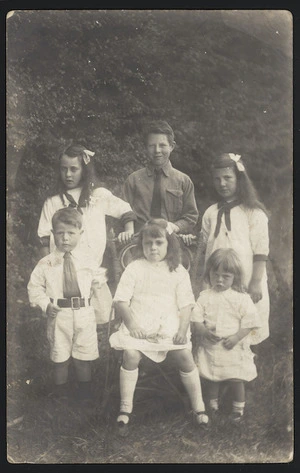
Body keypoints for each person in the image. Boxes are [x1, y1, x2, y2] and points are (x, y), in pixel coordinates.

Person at [109, 218, 209, 436]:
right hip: (139, 322)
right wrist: (133, 325)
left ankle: (198, 406)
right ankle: (126, 407)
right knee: (131, 354)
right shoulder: (135, 268)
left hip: (170, 323)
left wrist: (182, 331)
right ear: (141, 245)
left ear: (168, 245)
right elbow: (121, 301)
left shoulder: (178, 270)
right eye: (148, 243)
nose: (153, 248)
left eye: (158, 243)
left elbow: (186, 305)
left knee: (184, 354)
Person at [37, 143, 136, 324]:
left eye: (74, 169)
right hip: (62, 271)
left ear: (84, 169)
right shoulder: (53, 202)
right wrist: (47, 271)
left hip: (90, 271)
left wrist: (128, 230)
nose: (68, 174)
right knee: (63, 320)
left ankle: (94, 346)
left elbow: (125, 211)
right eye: (64, 169)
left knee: (94, 319)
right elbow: (44, 240)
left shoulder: (97, 196)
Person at [28, 208, 106, 403]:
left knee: (83, 354)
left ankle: (85, 394)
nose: (65, 238)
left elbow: (99, 283)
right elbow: (34, 287)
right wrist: (45, 304)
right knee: (59, 354)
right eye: (60, 233)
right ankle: (60, 395)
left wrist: (101, 303)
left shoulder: (88, 261)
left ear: (80, 233)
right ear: (53, 234)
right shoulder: (46, 263)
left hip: (84, 313)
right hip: (59, 313)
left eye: (71, 233)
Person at [196, 152, 269, 345]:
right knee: (218, 323)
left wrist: (255, 282)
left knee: (245, 321)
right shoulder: (211, 212)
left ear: (239, 179)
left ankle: (247, 364)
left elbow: (261, 251)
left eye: (228, 178)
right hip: (216, 279)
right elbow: (204, 246)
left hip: (246, 277)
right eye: (217, 179)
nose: (222, 183)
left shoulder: (253, 212)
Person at [191, 248, 262, 424]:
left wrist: (237, 337)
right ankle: (212, 407)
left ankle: (238, 411)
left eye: (226, 276)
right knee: (212, 376)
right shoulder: (205, 296)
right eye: (216, 275)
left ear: (235, 277)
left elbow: (250, 322)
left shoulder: (241, 298)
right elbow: (196, 320)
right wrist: (204, 332)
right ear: (209, 274)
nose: (220, 280)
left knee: (236, 378)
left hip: (233, 347)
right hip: (212, 345)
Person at [123, 121, 198, 235]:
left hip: (172, 242)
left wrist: (175, 227)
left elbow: (190, 216)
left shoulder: (183, 181)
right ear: (145, 148)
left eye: (162, 145)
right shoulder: (133, 180)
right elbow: (123, 212)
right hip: (139, 242)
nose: (157, 150)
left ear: (172, 146)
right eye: (152, 146)